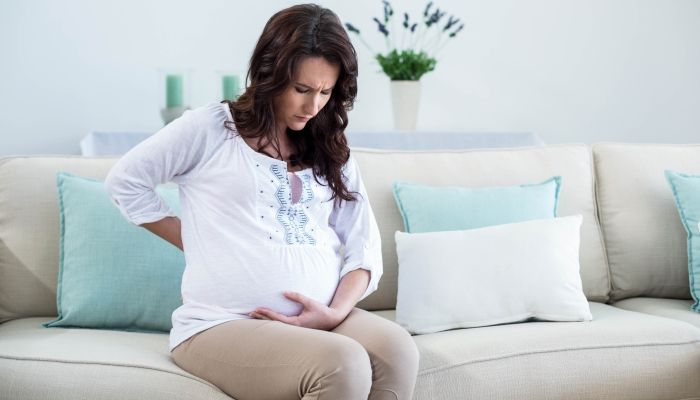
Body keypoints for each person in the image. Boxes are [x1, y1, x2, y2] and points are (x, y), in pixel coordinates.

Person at [104, 3, 419, 400]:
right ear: (270, 74)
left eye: (325, 91)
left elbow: (364, 248)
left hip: (323, 320)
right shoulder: (211, 129)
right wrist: (201, 243)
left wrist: (335, 313)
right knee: (343, 364)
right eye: (302, 89)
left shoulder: (331, 148)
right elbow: (125, 182)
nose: (313, 106)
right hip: (221, 323)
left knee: (398, 350)